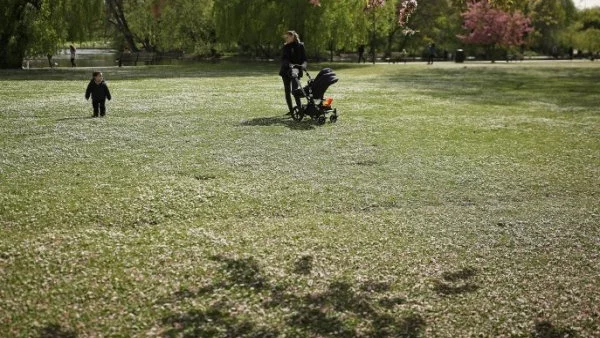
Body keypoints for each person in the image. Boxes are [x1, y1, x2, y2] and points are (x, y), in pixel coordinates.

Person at [279, 30, 307, 116]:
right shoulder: (285, 46)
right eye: (285, 37)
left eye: (287, 37)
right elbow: (284, 59)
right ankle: (291, 111)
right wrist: (290, 65)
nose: (286, 39)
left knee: (295, 91)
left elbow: (304, 59)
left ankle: (300, 109)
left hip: (296, 71)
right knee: (287, 92)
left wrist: (303, 65)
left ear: (293, 37)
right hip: (286, 71)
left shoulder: (301, 46)